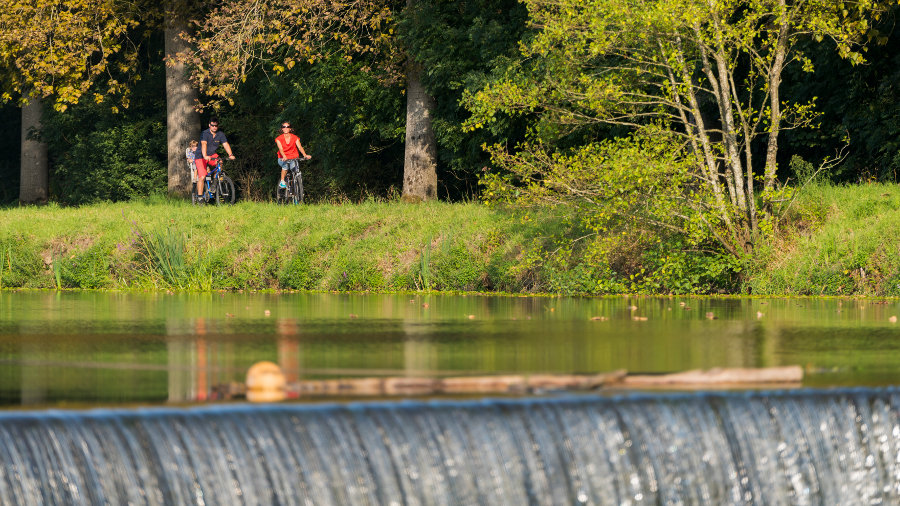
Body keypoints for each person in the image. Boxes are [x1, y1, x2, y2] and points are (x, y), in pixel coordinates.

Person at [194, 117, 235, 200]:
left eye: (216, 126)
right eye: (212, 125)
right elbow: (204, 144)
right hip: (201, 156)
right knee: (202, 177)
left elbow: (225, 144)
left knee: (220, 162)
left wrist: (230, 154)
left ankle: (215, 182)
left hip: (212, 155)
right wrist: (205, 155)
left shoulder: (220, 134)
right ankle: (200, 197)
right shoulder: (205, 133)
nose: (214, 127)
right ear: (209, 125)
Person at [275, 121, 310, 188]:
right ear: (282, 129)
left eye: (287, 127)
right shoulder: (279, 139)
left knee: (295, 170)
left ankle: (295, 190)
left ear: (290, 129)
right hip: (282, 158)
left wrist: (305, 155)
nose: (285, 128)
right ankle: (282, 181)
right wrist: (284, 156)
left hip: (293, 158)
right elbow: (281, 149)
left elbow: (299, 147)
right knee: (285, 166)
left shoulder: (295, 138)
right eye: (283, 127)